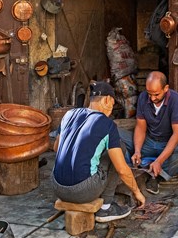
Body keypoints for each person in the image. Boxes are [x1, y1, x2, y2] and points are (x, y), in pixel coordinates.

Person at [51, 81, 146, 223]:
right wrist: (137, 193)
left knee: (98, 151)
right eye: (112, 105)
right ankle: (106, 209)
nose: (111, 110)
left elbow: (56, 148)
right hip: (83, 191)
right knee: (119, 147)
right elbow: (121, 169)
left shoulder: (69, 114)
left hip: (57, 186)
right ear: (107, 100)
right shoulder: (107, 124)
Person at [119, 71, 178, 195]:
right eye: (149, 94)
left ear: (166, 88)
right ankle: (132, 170)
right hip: (149, 143)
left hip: (168, 145)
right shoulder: (144, 97)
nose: (152, 98)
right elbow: (140, 127)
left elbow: (177, 135)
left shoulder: (176, 100)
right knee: (114, 134)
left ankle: (156, 177)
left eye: (156, 94)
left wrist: (159, 161)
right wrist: (137, 150)